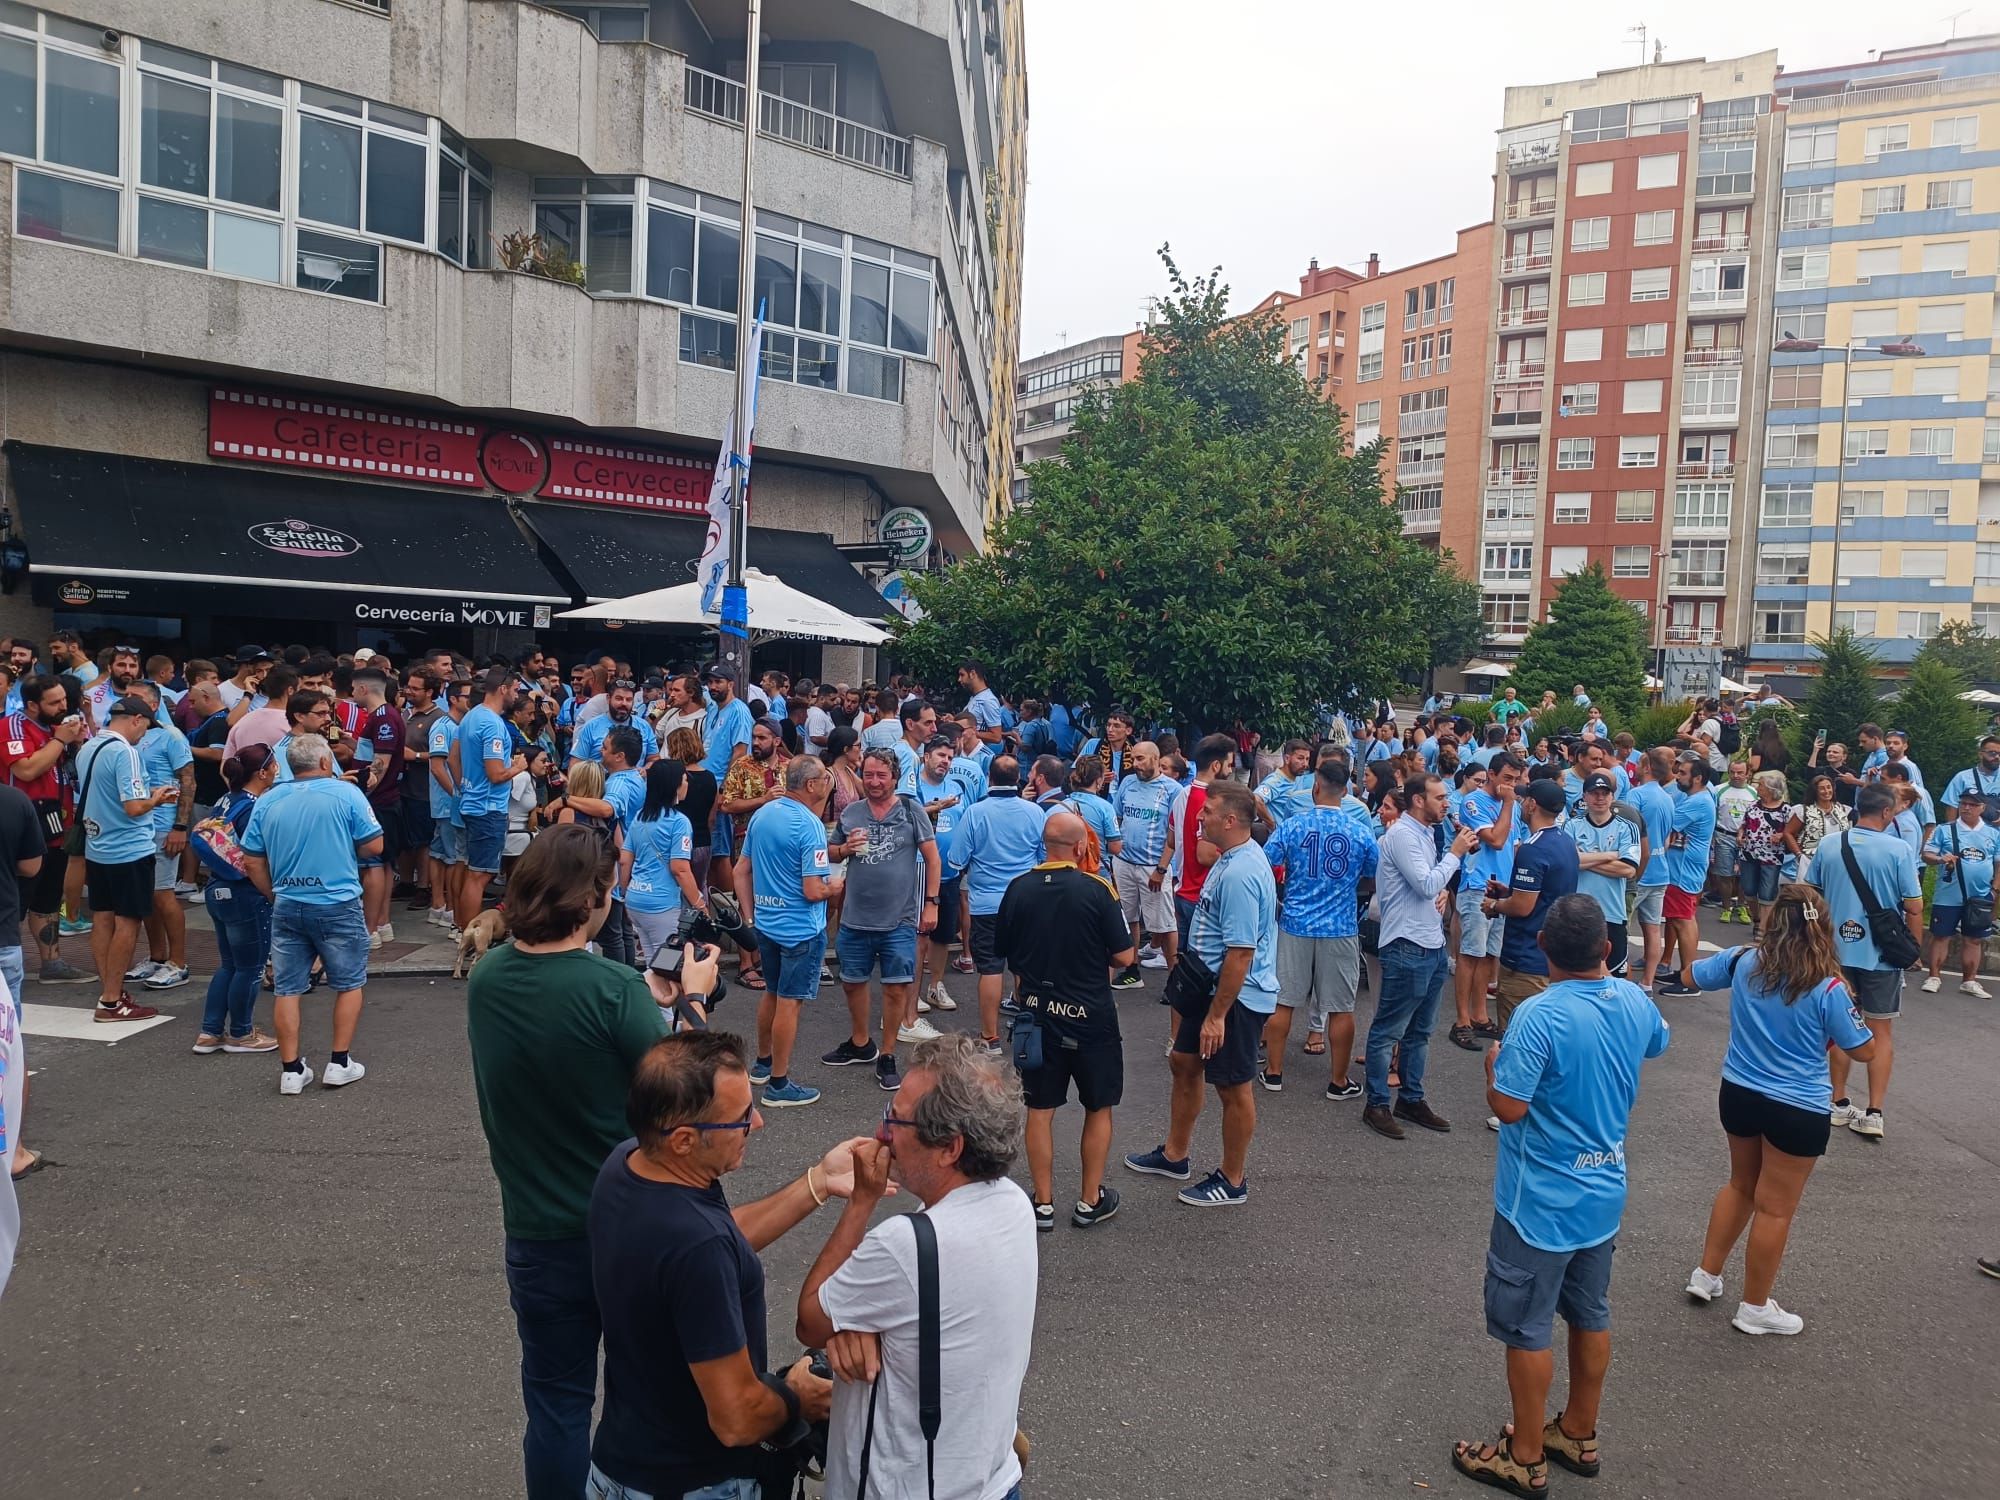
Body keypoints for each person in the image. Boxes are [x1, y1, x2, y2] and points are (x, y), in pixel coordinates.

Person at [467, 826, 718, 1500]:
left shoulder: (487, 977)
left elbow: (565, 1019)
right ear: (593, 899)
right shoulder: (612, 989)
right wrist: (689, 996)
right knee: (658, 1393)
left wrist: (646, 997)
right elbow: (694, 1091)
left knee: (555, 1407)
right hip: (627, 1229)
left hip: (536, 1229)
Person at [586, 1033, 883, 1500]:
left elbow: (723, 1238)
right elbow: (736, 1417)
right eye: (741, 1118)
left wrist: (819, 1182)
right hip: (694, 1484)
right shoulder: (695, 1245)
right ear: (684, 1140)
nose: (759, 1122)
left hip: (619, 1466)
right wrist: (794, 1398)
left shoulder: (628, 1165)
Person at [1451, 895, 1669, 1497]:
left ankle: (1523, 1456)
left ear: (1544, 948)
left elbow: (1510, 1108)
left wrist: (1494, 1069)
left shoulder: (1539, 1015)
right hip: (1604, 1190)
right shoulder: (1631, 998)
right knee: (1591, 1312)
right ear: (1607, 948)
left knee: (1527, 1326)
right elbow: (1657, 1043)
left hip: (1540, 1202)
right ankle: (1578, 1429)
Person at [798, 1036, 1037, 1499]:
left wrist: (861, 1202)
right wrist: (858, 1320)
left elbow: (811, 1320)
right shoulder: (1013, 1203)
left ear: (949, 1147)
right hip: (992, 1480)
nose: (883, 1131)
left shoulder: (905, 1244)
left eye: (897, 1117)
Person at [1683, 887, 1876, 1337]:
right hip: (1797, 1105)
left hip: (1740, 1091)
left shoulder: (1743, 961)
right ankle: (1754, 1307)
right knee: (1775, 1209)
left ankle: (1706, 1275)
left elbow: (1691, 977)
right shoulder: (1829, 987)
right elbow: (1863, 1049)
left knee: (1740, 1184)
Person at [1122, 781, 1276, 1207]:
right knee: (1183, 1062)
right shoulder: (1229, 858)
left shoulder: (1244, 872)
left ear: (1230, 820)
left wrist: (1216, 1016)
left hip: (1234, 997)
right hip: (1206, 987)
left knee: (1232, 1085)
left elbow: (1242, 953)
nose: (1199, 817)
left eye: (1207, 812)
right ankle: (1175, 1155)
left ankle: (1232, 1179)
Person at [994, 811, 1135, 1228]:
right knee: (1098, 1106)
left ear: (1044, 845)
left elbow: (1004, 949)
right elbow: (1126, 956)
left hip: (1036, 1014)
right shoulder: (1097, 889)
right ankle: (1090, 1200)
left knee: (1040, 1108)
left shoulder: (1017, 889)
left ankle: (1042, 1202)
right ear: (1080, 847)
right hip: (1091, 1014)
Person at [240, 733, 382, 1095]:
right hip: (337, 899)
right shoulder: (346, 793)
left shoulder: (269, 800)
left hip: (288, 899)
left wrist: (273, 893)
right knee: (349, 982)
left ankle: (291, 1069)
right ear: (324, 763)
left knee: (287, 987)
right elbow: (374, 844)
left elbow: (252, 859)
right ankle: (339, 1062)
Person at [1362, 773, 1478, 1140]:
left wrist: (1442, 888)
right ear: (1417, 800)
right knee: (1388, 1030)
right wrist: (1455, 856)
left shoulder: (1427, 833)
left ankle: (1410, 1098)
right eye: (1440, 797)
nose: (1447, 803)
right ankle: (1377, 1103)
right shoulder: (1401, 835)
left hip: (1431, 945)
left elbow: (1430, 886)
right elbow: (1426, 883)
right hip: (1406, 945)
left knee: (1420, 1033)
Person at [1806, 784, 1923, 1142]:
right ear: (1887, 812)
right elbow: (1914, 904)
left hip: (1836, 953)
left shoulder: (1830, 844)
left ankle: (1838, 1102)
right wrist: (1913, 948)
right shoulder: (1899, 849)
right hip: (1882, 954)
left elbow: (1811, 895)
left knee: (1841, 1026)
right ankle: (1874, 1112)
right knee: (1881, 1031)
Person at [823, 748, 942, 1091]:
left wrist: (931, 903)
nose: (874, 782)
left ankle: (887, 1053)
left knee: (896, 989)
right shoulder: (852, 812)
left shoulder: (910, 810)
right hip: (855, 917)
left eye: (881, 776)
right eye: (869, 775)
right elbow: (831, 850)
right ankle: (861, 1043)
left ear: (895, 777)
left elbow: (932, 859)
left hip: (900, 919)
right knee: (852, 981)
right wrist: (844, 850)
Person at [1258, 762, 1378, 1099]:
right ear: (1347, 791)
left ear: (1315, 788)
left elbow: (1268, 862)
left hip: (1296, 922)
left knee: (1284, 1001)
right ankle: (1338, 1081)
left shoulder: (1294, 826)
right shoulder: (1360, 831)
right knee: (1341, 1006)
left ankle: (1274, 1071)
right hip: (1340, 926)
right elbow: (1372, 876)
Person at [737, 756, 843, 1107]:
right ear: (811, 785)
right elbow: (814, 890)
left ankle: (763, 1064)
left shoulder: (764, 813)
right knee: (789, 1002)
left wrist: (751, 917)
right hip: (801, 928)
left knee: (771, 991)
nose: (829, 782)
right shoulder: (810, 825)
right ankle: (779, 1085)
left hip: (767, 922)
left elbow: (742, 870)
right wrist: (836, 886)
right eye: (825, 777)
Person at [75, 694, 182, 1023]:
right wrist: (157, 797)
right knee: (127, 922)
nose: (144, 735)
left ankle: (110, 989)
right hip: (128, 849)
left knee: (102, 918)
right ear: (135, 720)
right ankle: (111, 1000)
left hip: (98, 846)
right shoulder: (126, 752)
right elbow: (133, 807)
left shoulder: (89, 746)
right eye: (145, 728)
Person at [945, 756, 1048, 1053]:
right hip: (1026, 900)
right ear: (1019, 779)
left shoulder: (975, 813)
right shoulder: (1035, 812)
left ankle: (989, 1038)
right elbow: (1043, 855)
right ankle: (1027, 1031)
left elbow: (956, 859)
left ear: (989, 778)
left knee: (990, 969)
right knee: (1024, 967)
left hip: (986, 904)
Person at [0, 673, 92, 983]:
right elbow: (26, 769)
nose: (62, 706)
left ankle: (51, 963)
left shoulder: (59, 729)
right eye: (54, 702)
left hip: (58, 821)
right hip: (24, 820)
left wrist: (76, 741)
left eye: (64, 700)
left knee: (49, 895)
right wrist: (60, 741)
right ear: (32, 705)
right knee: (16, 896)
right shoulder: (13, 725)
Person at [190, 745, 280, 1057]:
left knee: (229, 965)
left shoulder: (226, 799)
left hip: (217, 889)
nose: (277, 770)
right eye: (274, 765)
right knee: (251, 967)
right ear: (263, 772)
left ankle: (210, 1031)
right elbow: (256, 859)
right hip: (246, 893)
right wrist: (270, 893)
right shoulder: (257, 806)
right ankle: (241, 1033)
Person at [1455, 752, 1523, 1041]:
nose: (1511, 785)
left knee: (1488, 954)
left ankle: (1480, 1014)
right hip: (1477, 884)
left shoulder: (1513, 808)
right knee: (1470, 953)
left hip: (1502, 885)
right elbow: (1495, 839)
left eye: (1516, 780)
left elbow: (1514, 843)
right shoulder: (1472, 802)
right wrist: (1509, 803)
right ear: (1491, 774)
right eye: (1507, 778)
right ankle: (1461, 1020)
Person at [456, 667, 526, 933]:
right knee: (479, 876)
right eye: (516, 690)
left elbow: (454, 758)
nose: (517, 695)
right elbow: (496, 774)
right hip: (487, 808)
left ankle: (463, 930)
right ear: (503, 689)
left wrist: (465, 786)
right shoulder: (493, 724)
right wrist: (518, 767)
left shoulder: (471, 716)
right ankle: (470, 934)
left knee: (472, 872)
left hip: (472, 802)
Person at [1558, 772, 1641, 986]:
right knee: (1576, 975)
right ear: (1585, 796)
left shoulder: (1626, 827)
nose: (1600, 798)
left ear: (1612, 797)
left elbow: (1628, 870)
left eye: (1605, 793)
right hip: (1578, 914)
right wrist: (1610, 854)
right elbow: (1569, 862)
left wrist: (1585, 858)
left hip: (1612, 914)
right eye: (1595, 793)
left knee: (1616, 977)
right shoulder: (1571, 825)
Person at [621, 759, 706, 962]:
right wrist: (699, 904)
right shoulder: (679, 822)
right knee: (666, 967)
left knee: (653, 961)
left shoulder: (640, 817)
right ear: (674, 785)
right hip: (662, 905)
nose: (687, 784)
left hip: (635, 900)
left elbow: (625, 860)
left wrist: (625, 893)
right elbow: (680, 869)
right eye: (685, 780)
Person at [1108, 741, 1178, 986]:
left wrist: (1161, 868)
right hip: (1125, 863)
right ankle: (1132, 970)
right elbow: (1116, 818)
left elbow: (1174, 833)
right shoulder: (1127, 783)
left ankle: (1174, 980)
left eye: (1140, 759)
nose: (1134, 764)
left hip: (1153, 867)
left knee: (1164, 924)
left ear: (1155, 759)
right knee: (1128, 919)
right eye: (1133, 759)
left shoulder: (1172, 790)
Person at [1921, 785, 2000, 999]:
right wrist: (1940, 859)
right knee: (1941, 935)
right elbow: (1926, 854)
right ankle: (1934, 976)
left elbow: (1998, 863)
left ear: (1982, 807)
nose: (1966, 808)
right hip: (1948, 892)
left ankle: (1970, 980)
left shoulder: (1993, 834)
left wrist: (1995, 889)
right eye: (1963, 803)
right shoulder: (1945, 829)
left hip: (1980, 894)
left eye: (1972, 804)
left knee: (1974, 939)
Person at [910, 736, 968, 1016]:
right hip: (918, 872)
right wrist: (933, 808)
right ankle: (913, 992)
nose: (945, 761)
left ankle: (936, 985)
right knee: (918, 934)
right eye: (940, 755)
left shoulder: (956, 788)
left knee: (944, 935)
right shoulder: (913, 787)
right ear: (926, 756)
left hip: (950, 872)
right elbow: (900, 818)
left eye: (949, 757)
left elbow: (964, 822)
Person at [1655, 756, 1718, 998]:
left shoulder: (1698, 802)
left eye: (1682, 773)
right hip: (1684, 868)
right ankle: (1684, 972)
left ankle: (1690, 979)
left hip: (1683, 871)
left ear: (1698, 778)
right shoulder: (1700, 798)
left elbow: (1668, 821)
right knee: (1679, 918)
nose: (1678, 776)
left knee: (1683, 919)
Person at [426, 679, 471, 930]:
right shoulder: (442, 726)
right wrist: (456, 794)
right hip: (447, 802)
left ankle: (438, 906)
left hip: (451, 801)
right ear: (453, 698)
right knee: (454, 857)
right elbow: (437, 766)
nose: (470, 700)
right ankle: (451, 911)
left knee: (439, 851)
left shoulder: (463, 725)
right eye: (466, 696)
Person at [1735, 771, 1794, 937]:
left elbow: (1793, 831)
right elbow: (1744, 825)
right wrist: (1740, 835)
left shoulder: (1786, 810)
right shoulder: (1753, 805)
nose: (1757, 788)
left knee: (1767, 892)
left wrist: (1782, 835)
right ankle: (1757, 918)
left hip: (1772, 856)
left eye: (1760, 785)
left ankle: (1762, 928)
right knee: (1749, 889)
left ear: (1770, 789)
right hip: (1749, 853)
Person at [1712, 759, 1757, 925]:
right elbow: (1713, 814)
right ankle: (1726, 907)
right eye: (1733, 772)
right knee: (1725, 874)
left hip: (1746, 838)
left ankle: (1741, 905)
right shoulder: (1718, 790)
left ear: (1747, 774)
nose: (1736, 776)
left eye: (1740, 772)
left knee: (1745, 874)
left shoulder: (1754, 793)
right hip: (1723, 835)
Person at [1785, 773, 1850, 871]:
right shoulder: (1804, 811)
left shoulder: (1842, 809)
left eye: (1829, 787)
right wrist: (1799, 855)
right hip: (1810, 862)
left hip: (1838, 861)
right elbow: (1787, 833)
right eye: (1822, 788)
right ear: (1815, 791)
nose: (1826, 791)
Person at [1943, 735, 2000, 827]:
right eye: (1992, 753)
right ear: (1981, 754)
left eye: (1999, 754)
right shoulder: (1962, 777)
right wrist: (1952, 834)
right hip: (1971, 835)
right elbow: (1952, 807)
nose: (1997, 757)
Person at [957, 660, 1004, 745]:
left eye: (962, 675)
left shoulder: (988, 700)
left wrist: (969, 732)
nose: (959, 679)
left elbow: (996, 736)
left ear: (972, 674)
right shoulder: (974, 697)